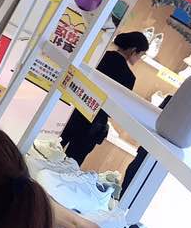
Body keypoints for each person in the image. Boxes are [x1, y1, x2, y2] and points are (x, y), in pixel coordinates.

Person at [60, 30, 149, 165]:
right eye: (141, 54)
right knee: (71, 163)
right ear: (133, 50)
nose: (139, 59)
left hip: (72, 111)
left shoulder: (100, 57)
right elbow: (115, 108)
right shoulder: (129, 78)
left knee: (51, 147)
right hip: (93, 124)